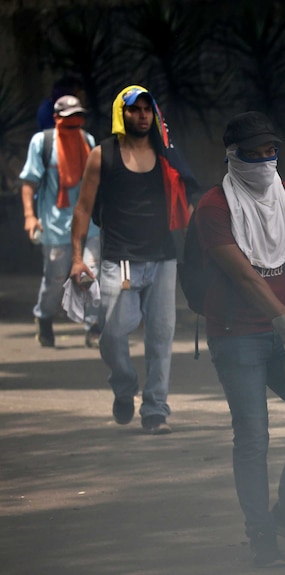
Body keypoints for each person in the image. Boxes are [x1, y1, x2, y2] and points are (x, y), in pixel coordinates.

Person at [194, 111, 285, 568]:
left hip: (279, 330)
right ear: (231, 157)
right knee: (253, 437)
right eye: (252, 154)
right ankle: (261, 533)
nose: (263, 162)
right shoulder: (214, 207)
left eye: (269, 152)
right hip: (234, 335)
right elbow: (245, 279)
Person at [69, 85, 191, 435]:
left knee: (160, 339)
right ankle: (124, 386)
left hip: (163, 258)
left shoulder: (165, 153)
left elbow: (186, 198)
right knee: (111, 336)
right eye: (134, 110)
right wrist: (77, 259)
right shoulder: (102, 155)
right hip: (119, 261)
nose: (141, 116)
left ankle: (155, 410)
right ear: (120, 114)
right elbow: (83, 209)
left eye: (147, 110)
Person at [20, 95, 100, 348]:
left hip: (88, 224)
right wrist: (30, 216)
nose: (74, 123)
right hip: (55, 225)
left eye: (78, 117)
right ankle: (43, 317)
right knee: (54, 279)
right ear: (56, 119)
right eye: (68, 118)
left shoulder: (88, 141)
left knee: (91, 273)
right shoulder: (42, 143)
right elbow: (29, 182)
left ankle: (94, 327)